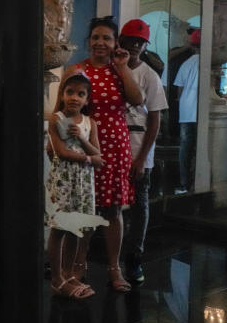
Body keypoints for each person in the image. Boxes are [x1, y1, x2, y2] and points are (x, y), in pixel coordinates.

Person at [65, 17, 142, 292]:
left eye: (106, 38)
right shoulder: (76, 70)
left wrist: (122, 67)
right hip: (85, 145)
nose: (100, 43)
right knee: (85, 206)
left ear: (115, 43)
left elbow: (137, 100)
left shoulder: (119, 69)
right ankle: (78, 264)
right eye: (96, 37)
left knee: (113, 210)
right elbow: (64, 111)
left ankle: (114, 268)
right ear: (88, 41)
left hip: (116, 147)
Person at [45, 72, 107, 299]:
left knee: (76, 230)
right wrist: (90, 159)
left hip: (84, 183)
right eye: (70, 92)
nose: (74, 98)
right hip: (64, 181)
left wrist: (81, 138)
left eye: (81, 94)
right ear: (62, 95)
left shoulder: (91, 123)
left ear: (87, 99)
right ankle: (56, 279)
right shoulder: (56, 119)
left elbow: (97, 151)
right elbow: (61, 152)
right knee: (60, 228)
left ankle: (69, 274)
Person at [119, 19, 168, 284]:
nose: (135, 45)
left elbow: (155, 121)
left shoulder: (149, 76)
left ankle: (135, 257)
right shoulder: (116, 69)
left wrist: (142, 158)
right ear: (122, 40)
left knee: (140, 205)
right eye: (131, 40)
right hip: (113, 146)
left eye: (140, 42)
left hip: (138, 149)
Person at [173, 29, 200, 194]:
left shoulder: (186, 63)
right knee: (200, 147)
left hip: (186, 111)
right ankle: (198, 181)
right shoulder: (208, 63)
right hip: (200, 112)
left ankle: (184, 183)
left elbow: (179, 90)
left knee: (185, 149)